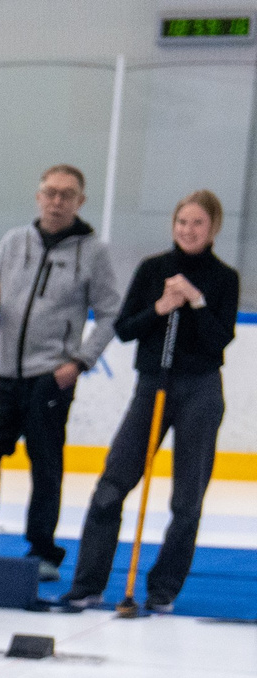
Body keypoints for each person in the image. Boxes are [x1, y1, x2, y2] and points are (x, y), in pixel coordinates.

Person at [59, 191, 240, 615]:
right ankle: (87, 584)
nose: (188, 230)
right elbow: (124, 328)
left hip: (200, 390)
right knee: (111, 486)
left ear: (212, 228)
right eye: (182, 222)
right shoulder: (153, 269)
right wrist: (161, 307)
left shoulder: (224, 278)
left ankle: (163, 590)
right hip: (152, 386)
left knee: (187, 499)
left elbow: (219, 339)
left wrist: (195, 302)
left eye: (197, 223)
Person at [0, 165, 122, 574]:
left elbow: (110, 313)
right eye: (50, 192)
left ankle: (43, 551)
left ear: (80, 202)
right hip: (2, 374)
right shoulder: (14, 242)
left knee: (46, 467)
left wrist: (80, 362)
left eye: (67, 194)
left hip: (50, 377)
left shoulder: (93, 253)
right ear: (38, 195)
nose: (56, 201)